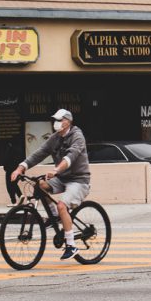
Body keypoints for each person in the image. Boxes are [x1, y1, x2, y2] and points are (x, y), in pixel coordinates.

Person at [10, 108, 91, 260]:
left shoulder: (77, 136)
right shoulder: (55, 137)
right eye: (55, 120)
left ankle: (71, 245)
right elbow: (39, 153)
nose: (56, 123)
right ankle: (54, 216)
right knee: (39, 185)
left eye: (60, 120)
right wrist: (20, 168)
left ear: (68, 122)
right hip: (62, 178)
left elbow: (70, 157)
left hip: (79, 180)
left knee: (62, 205)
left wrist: (56, 170)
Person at [2, 141, 23, 206]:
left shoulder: (9, 150)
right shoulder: (19, 151)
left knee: (9, 186)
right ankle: (20, 196)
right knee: (14, 184)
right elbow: (22, 161)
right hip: (17, 170)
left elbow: (6, 160)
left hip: (9, 171)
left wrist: (5, 168)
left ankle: (14, 201)